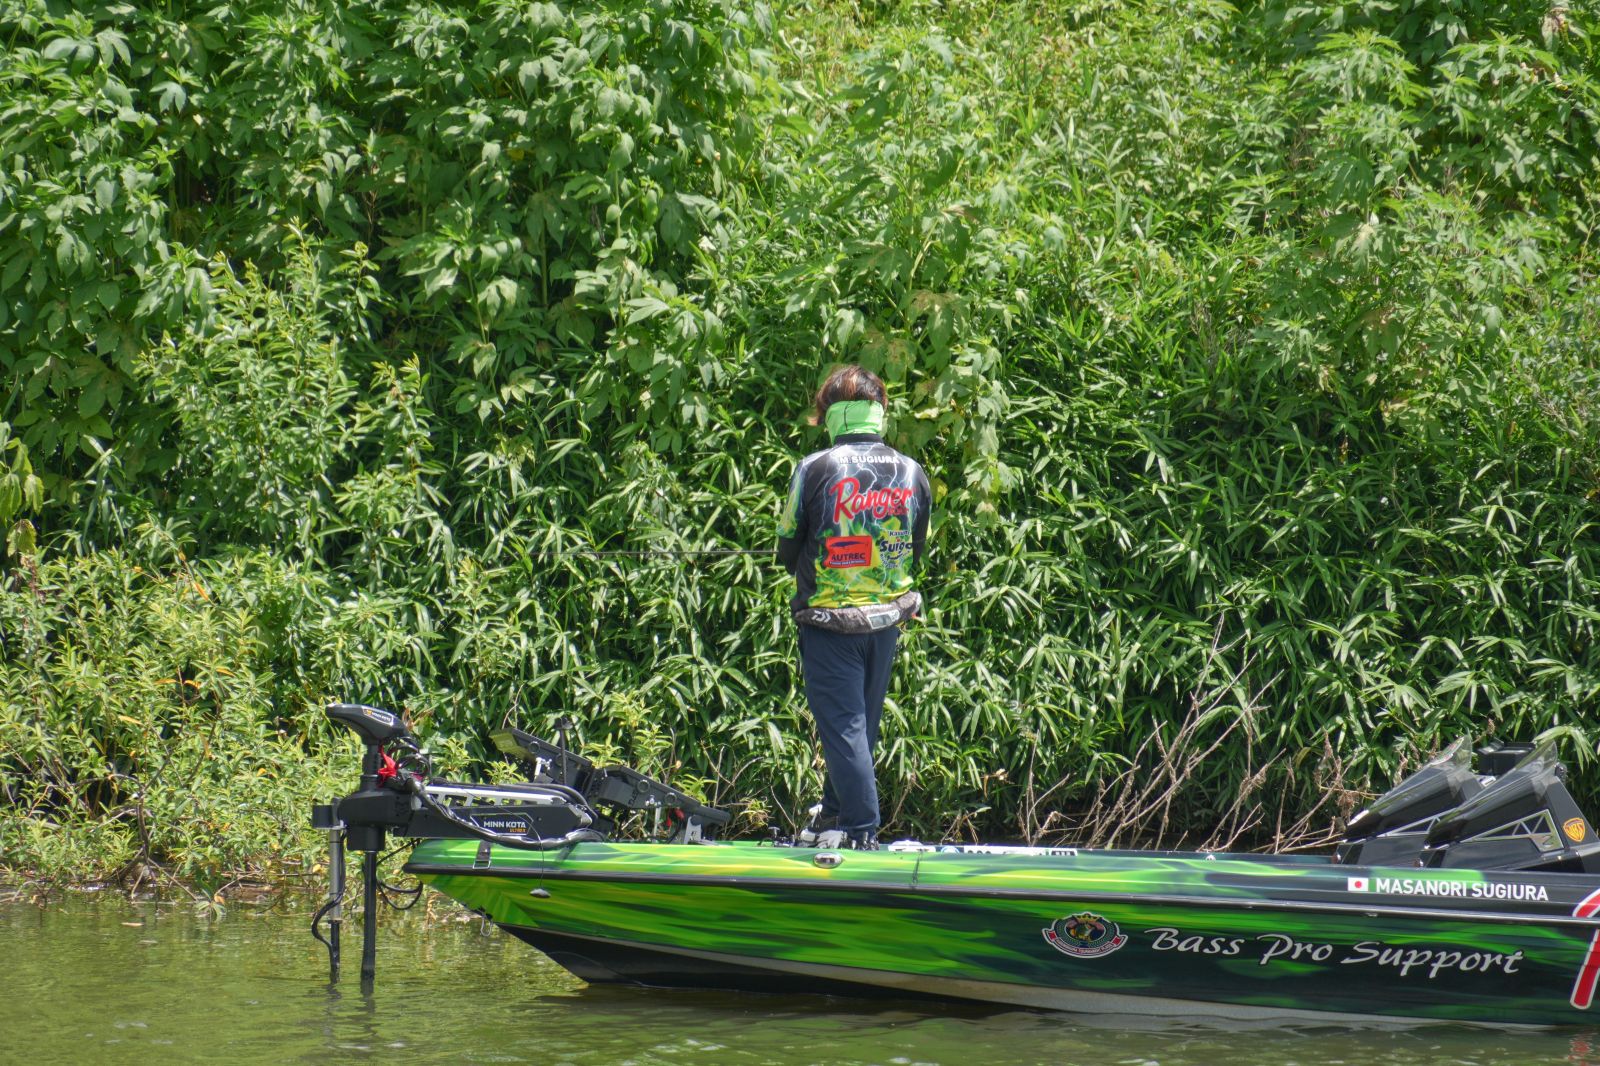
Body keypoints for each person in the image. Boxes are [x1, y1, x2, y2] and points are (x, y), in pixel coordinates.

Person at [776, 365, 932, 850]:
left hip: (829, 625)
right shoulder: (912, 471)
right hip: (887, 623)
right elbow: (916, 549)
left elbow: (786, 549)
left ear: (831, 413)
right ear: (879, 411)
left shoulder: (814, 468)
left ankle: (862, 834)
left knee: (844, 731)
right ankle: (834, 818)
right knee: (858, 730)